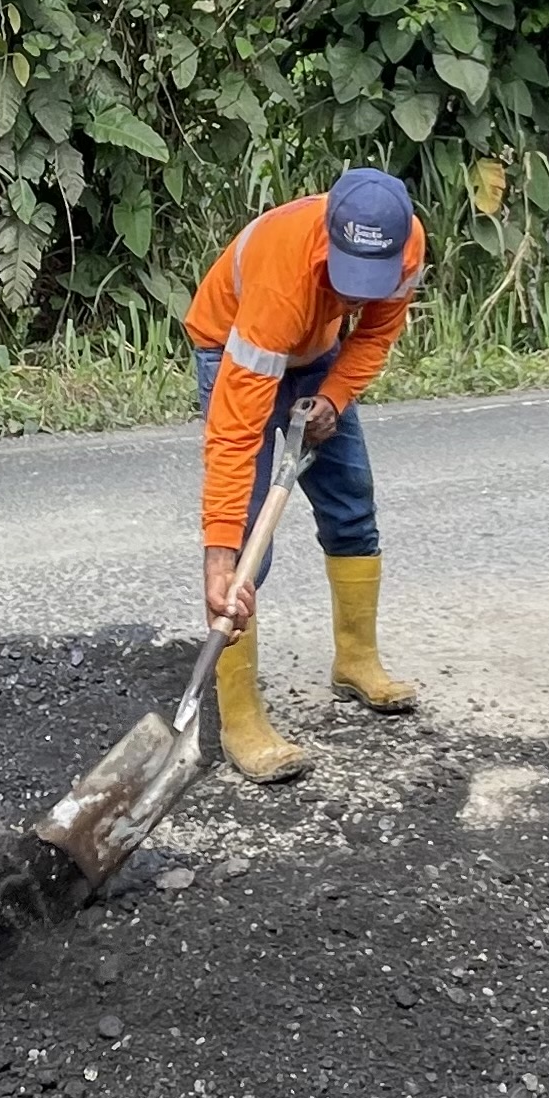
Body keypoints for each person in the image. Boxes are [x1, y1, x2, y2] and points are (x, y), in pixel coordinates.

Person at [184, 167, 427, 783]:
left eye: (368, 282)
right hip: (234, 344)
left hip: (318, 357)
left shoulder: (407, 247)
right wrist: (220, 553)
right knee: (247, 545)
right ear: (328, 241)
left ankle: (356, 660)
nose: (356, 297)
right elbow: (235, 434)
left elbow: (375, 334)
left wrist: (335, 397)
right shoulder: (283, 275)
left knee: (352, 505)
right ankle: (240, 717)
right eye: (347, 280)